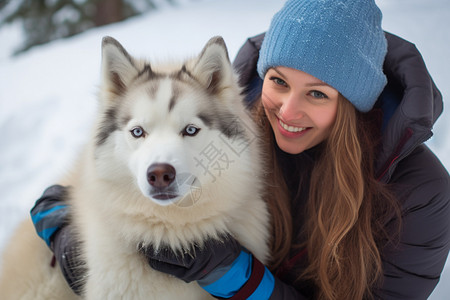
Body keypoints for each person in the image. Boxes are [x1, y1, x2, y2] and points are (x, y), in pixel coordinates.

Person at [30, 0, 450, 299]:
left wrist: (237, 277)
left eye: (317, 94)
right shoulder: (234, 125)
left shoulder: (419, 195)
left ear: (353, 102)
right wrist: (68, 235)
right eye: (279, 81)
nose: (287, 111)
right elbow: (61, 198)